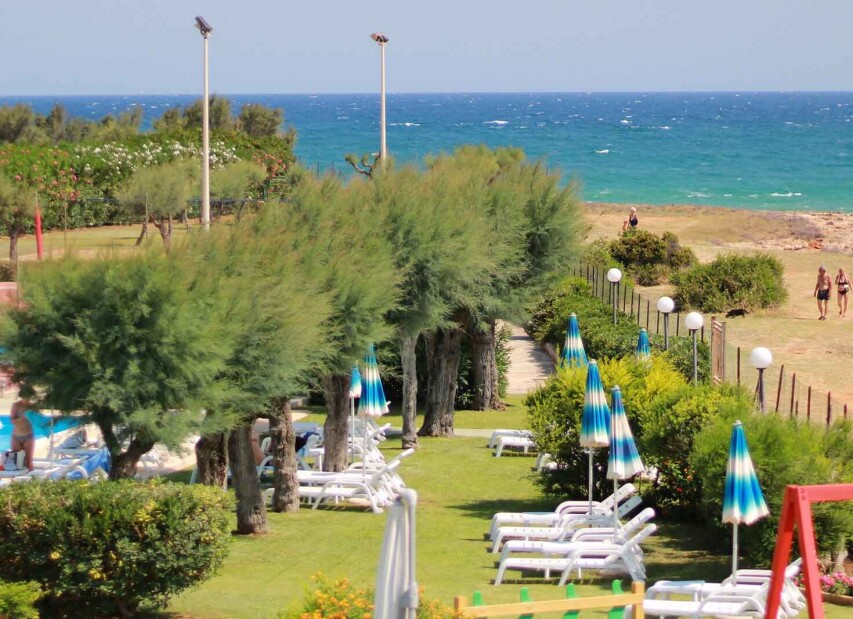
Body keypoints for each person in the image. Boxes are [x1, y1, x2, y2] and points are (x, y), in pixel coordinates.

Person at [9, 398, 34, 471]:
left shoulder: (32, 406)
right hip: (16, 436)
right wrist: (23, 418)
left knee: (28, 463)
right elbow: (12, 421)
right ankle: (16, 478)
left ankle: (31, 477)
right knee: (16, 463)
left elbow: (37, 421)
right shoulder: (16, 405)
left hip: (28, 436)